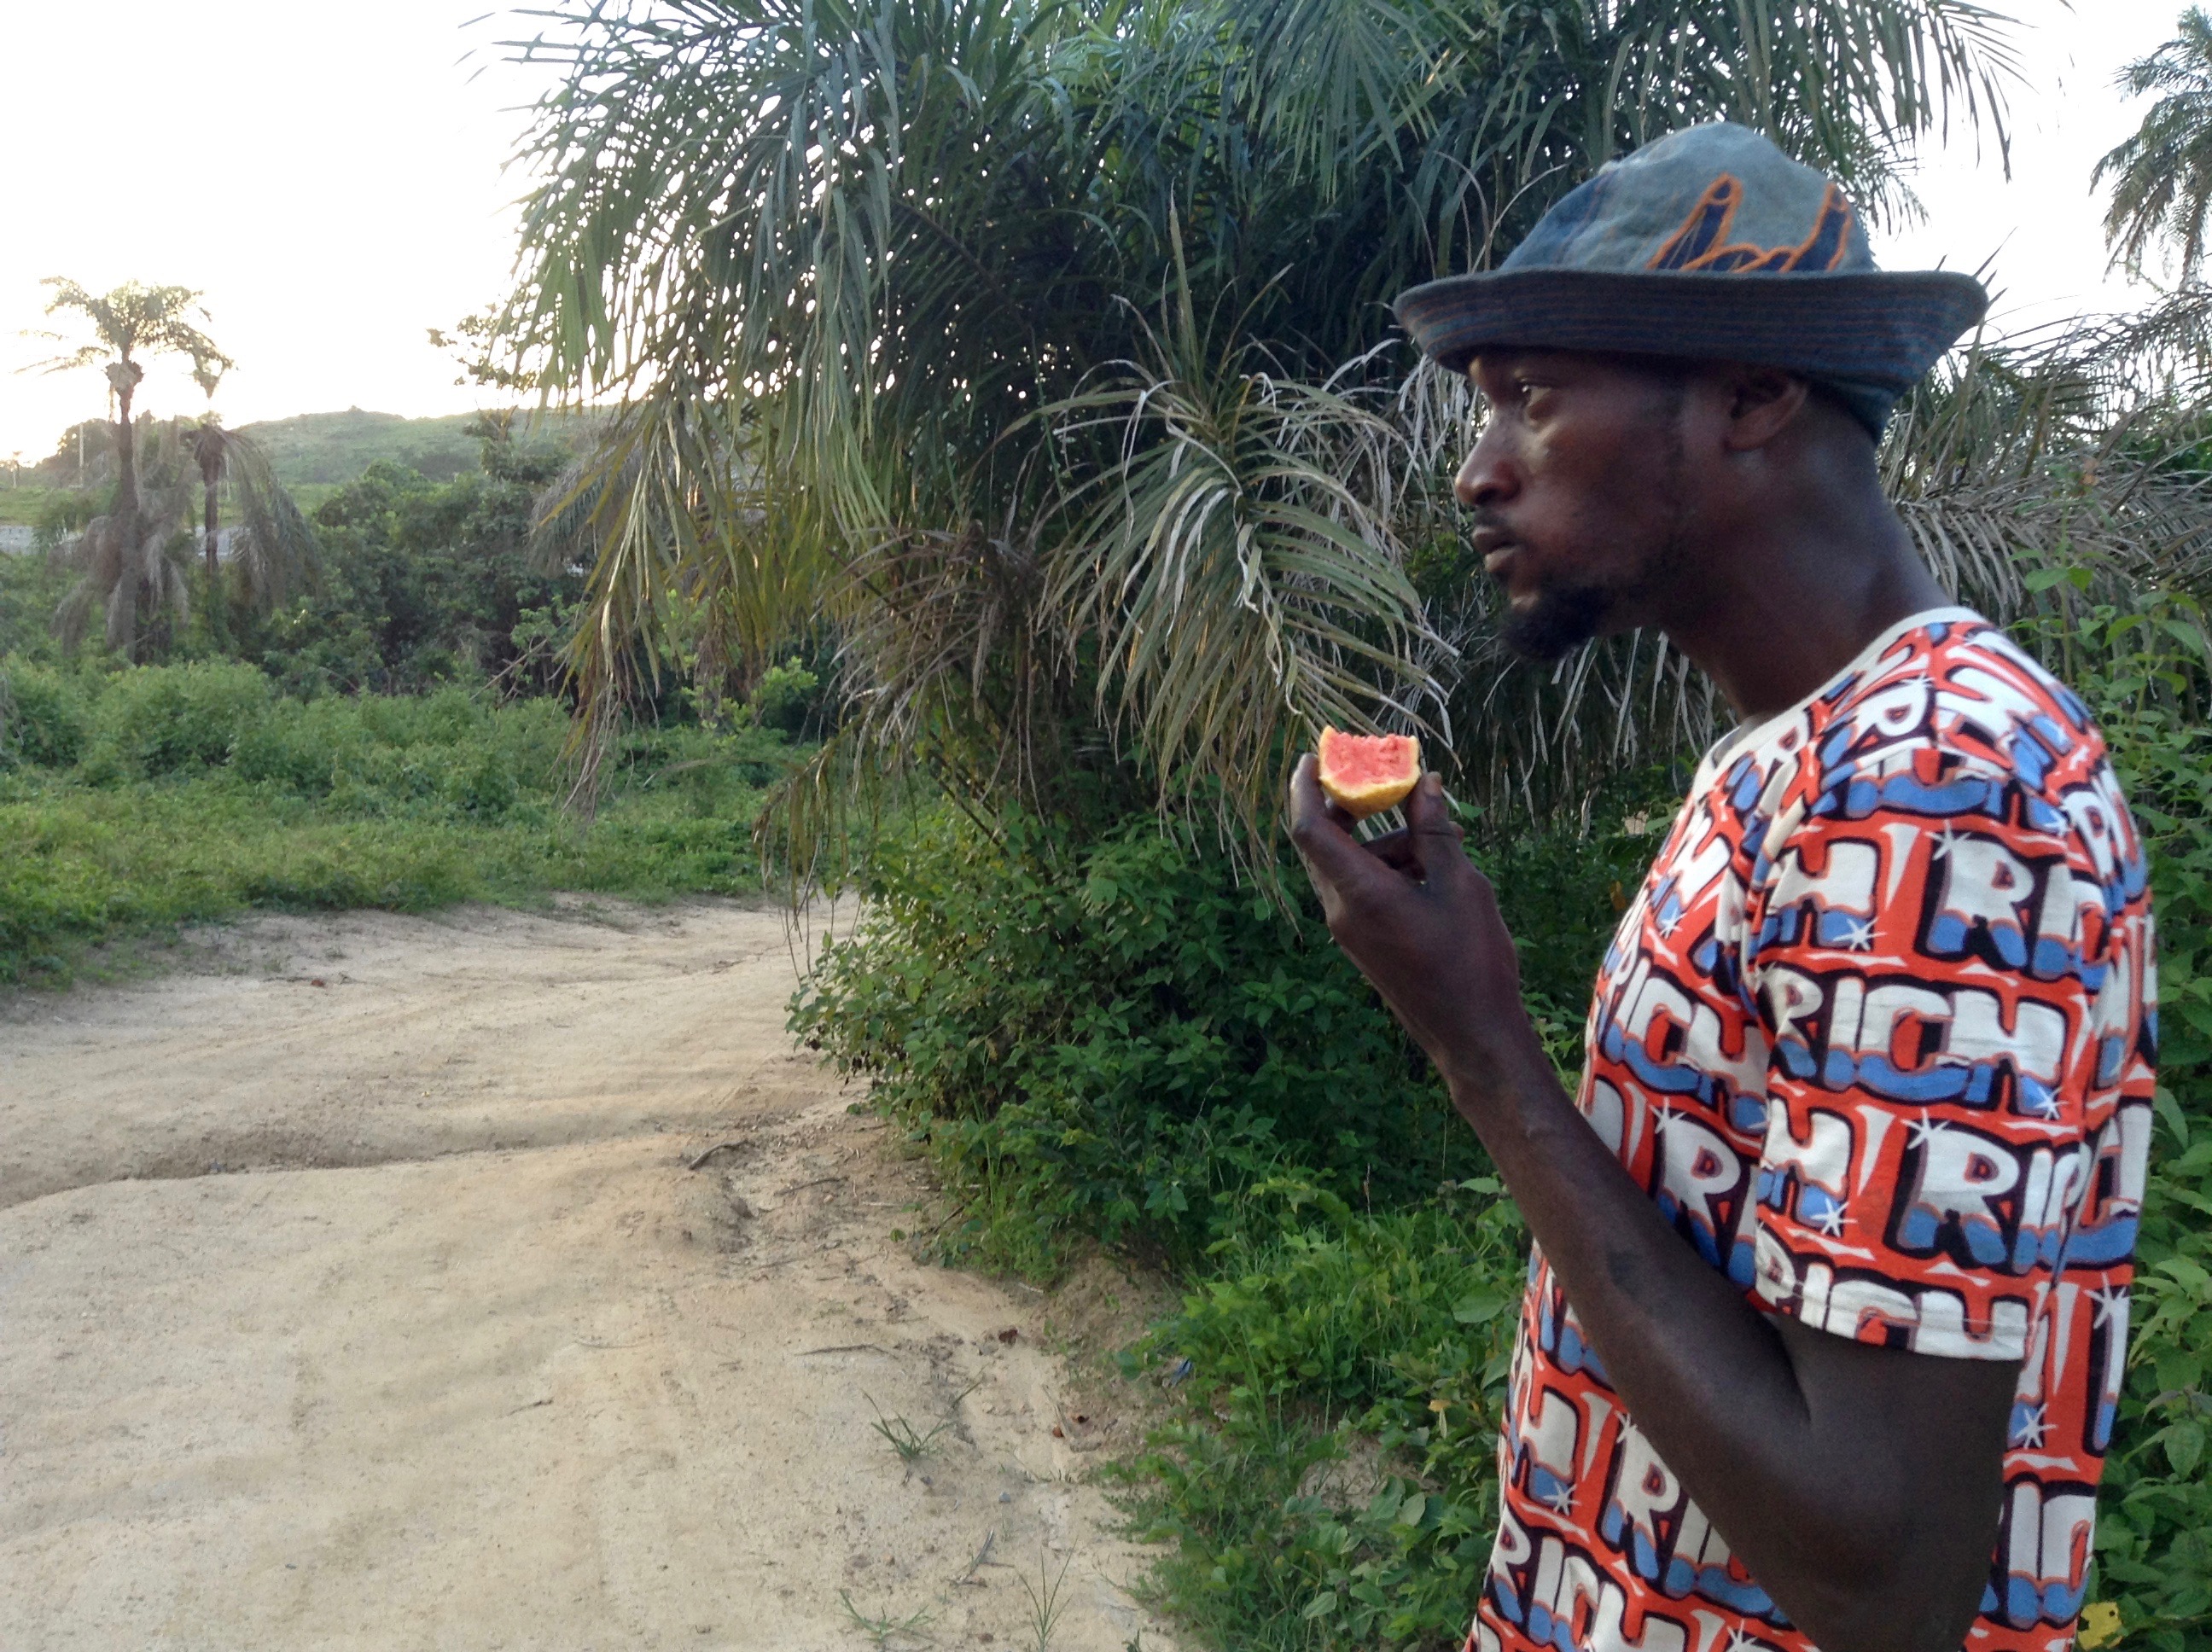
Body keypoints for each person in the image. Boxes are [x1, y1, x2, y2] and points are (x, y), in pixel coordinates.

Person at [1288, 122, 2156, 1652]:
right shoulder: (1810, 755)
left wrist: (1479, 1047)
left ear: (1755, 396)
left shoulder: (1940, 778)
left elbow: (1880, 1576)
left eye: (1532, 398)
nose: (1476, 472)